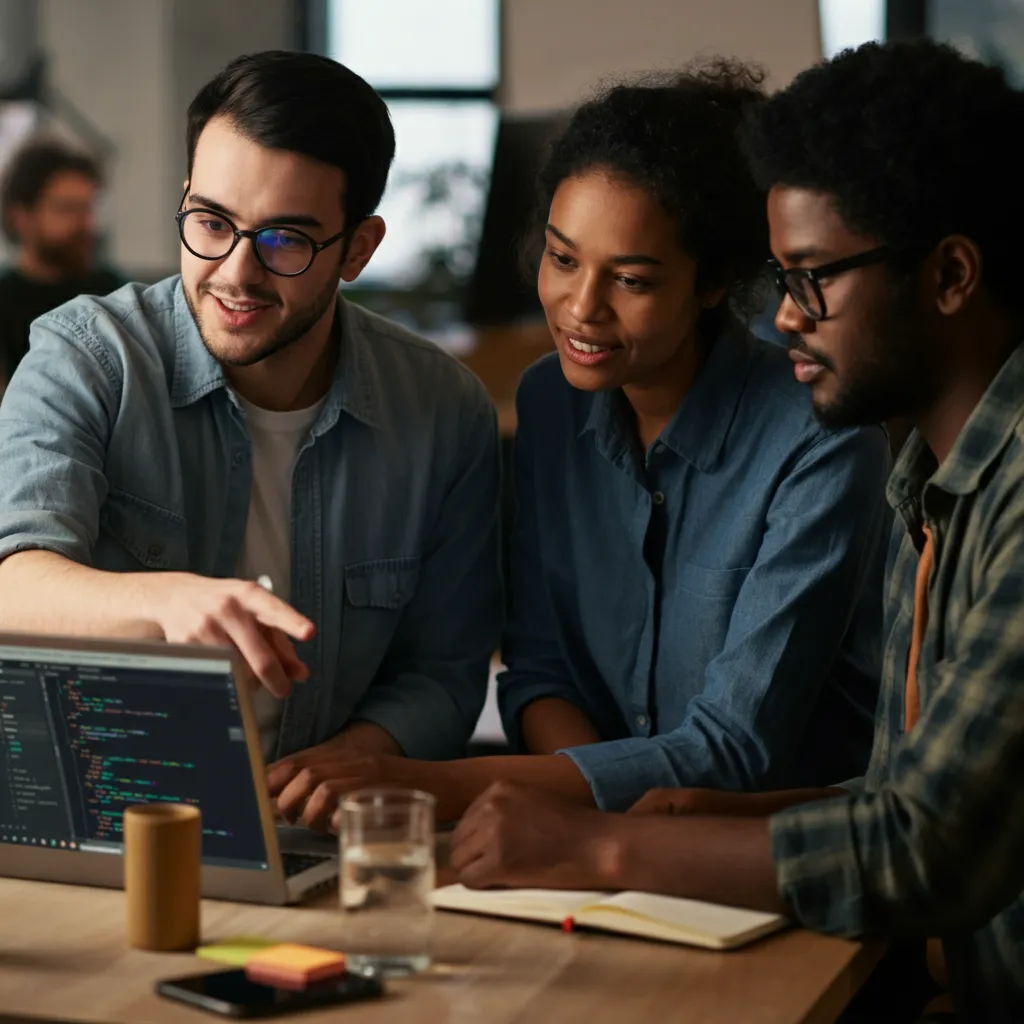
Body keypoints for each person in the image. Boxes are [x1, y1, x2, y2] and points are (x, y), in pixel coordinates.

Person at [448, 40, 1024, 1022]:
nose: (788, 320)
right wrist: (687, 811)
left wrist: (596, 842)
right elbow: (892, 794)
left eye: (809, 280)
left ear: (949, 274)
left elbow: (922, 847)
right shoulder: (928, 484)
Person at [266, 64, 891, 830]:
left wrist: (425, 784)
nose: (580, 309)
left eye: (630, 280)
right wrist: (591, 816)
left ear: (714, 283)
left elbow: (734, 751)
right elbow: (540, 668)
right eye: (562, 260)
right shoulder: (551, 401)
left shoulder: (820, 439)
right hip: (592, 850)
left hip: (770, 863)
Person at [0, 52, 501, 772]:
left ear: (357, 248)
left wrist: (362, 755)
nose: (236, 272)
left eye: (284, 240)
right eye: (210, 222)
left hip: (309, 825)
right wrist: (167, 603)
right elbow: (13, 582)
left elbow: (445, 673)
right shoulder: (89, 357)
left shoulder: (445, 413)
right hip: (114, 813)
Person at [0, 139, 124, 387]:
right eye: (68, 209)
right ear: (22, 217)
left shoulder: (116, 296)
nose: (87, 224)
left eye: (88, 208)